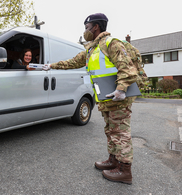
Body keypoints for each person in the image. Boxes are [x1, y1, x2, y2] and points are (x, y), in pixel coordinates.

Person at [42, 13, 138, 185]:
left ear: (96, 27)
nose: (85, 31)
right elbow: (72, 62)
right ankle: (113, 161)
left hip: (118, 98)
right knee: (111, 131)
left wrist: (121, 89)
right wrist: (51, 65)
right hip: (106, 98)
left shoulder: (112, 43)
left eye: (87, 27)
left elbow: (127, 68)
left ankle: (125, 170)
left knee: (121, 133)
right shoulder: (92, 49)